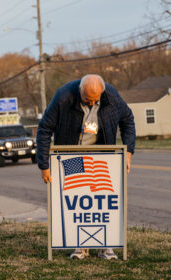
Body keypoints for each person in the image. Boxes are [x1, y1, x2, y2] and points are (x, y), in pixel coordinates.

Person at [36, 74, 136, 260]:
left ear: (102, 92)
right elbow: (44, 129)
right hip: (73, 154)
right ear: (80, 91)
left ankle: (106, 246)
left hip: (104, 156)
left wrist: (128, 152)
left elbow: (128, 120)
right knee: (76, 200)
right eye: (87, 99)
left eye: (95, 99)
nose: (91, 103)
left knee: (104, 201)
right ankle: (80, 247)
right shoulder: (64, 96)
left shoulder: (112, 97)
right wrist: (44, 165)